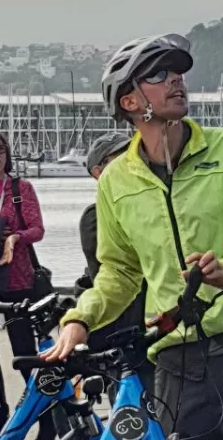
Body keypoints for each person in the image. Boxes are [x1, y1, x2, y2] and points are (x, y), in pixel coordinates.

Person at [43, 33, 223, 440]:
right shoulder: (116, 180)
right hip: (173, 360)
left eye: (178, 73)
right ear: (129, 102)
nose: (176, 81)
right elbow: (119, 272)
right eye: (159, 74)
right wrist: (80, 319)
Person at [0, 129, 54, 440]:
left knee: (25, 354)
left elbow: (38, 229)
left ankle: (45, 413)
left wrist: (16, 237)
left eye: (0, 150)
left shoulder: (21, 188)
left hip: (19, 281)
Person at [74, 132, 154, 395]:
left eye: (133, 152)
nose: (130, 161)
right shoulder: (95, 216)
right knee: (130, 406)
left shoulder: (152, 204)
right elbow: (112, 276)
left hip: (159, 328)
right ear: (98, 171)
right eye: (119, 156)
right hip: (126, 333)